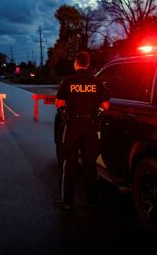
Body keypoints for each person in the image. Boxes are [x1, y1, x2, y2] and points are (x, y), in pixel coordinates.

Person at [53, 51, 110, 210]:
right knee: (90, 164)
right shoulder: (97, 82)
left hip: (72, 126)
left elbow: (58, 103)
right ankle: (93, 200)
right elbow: (105, 106)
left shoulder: (68, 81)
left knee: (69, 162)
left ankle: (67, 202)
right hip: (90, 126)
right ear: (88, 64)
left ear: (76, 63)